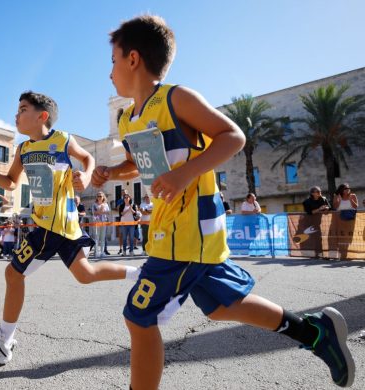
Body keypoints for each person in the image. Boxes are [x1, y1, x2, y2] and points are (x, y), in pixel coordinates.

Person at [91, 15, 354, 389]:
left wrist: (185, 175)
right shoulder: (128, 119)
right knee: (220, 306)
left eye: (113, 61)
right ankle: (315, 333)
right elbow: (138, 164)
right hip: (170, 228)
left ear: (133, 59)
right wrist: (111, 172)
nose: (110, 72)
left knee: (139, 316)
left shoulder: (175, 98)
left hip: (190, 231)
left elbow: (232, 136)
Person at [0, 91, 140, 364]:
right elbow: (11, 182)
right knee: (85, 274)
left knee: (13, 274)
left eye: (22, 109)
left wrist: (85, 174)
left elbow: (87, 160)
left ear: (42, 116)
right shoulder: (23, 149)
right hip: (59, 226)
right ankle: (140, 274)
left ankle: (4, 341)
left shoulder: (63, 139)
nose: (16, 114)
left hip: (54, 226)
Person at [92, 191, 110, 258]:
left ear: (103, 197)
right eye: (98, 196)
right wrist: (101, 210)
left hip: (103, 222)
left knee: (102, 238)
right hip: (96, 222)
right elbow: (94, 213)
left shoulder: (106, 204)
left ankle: (102, 252)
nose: (99, 197)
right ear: (97, 197)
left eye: (101, 196)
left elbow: (108, 212)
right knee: (96, 237)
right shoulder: (94, 204)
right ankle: (96, 252)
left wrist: (100, 211)